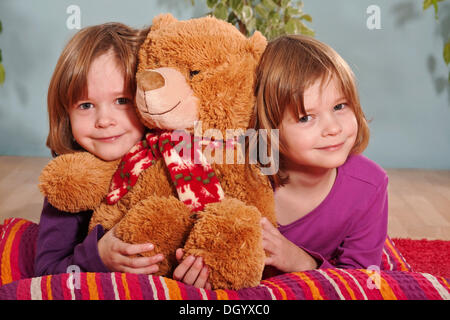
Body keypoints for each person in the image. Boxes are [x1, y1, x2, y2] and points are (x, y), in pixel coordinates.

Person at [34, 22, 165, 276]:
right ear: (66, 114)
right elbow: (46, 273)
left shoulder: (175, 160)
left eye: (121, 101)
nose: (104, 120)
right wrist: (96, 258)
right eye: (86, 105)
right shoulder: (69, 183)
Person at [252, 35, 388, 273]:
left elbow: (361, 279)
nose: (334, 128)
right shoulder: (241, 175)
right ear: (269, 128)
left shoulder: (369, 185)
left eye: (340, 106)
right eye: (306, 117)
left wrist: (302, 262)